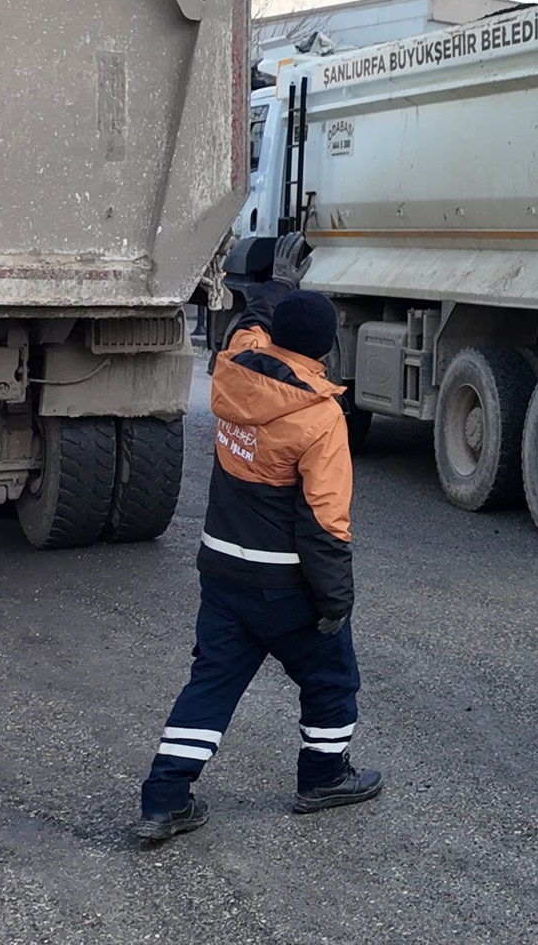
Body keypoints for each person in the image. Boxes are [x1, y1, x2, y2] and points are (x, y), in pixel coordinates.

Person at [131, 290, 383, 845]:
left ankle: (164, 799)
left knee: (212, 684)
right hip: (284, 585)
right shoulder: (318, 417)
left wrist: (272, 294)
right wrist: (336, 602)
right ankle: (322, 779)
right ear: (327, 347)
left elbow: (250, 320)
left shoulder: (233, 369)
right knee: (331, 679)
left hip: (221, 572)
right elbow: (324, 523)